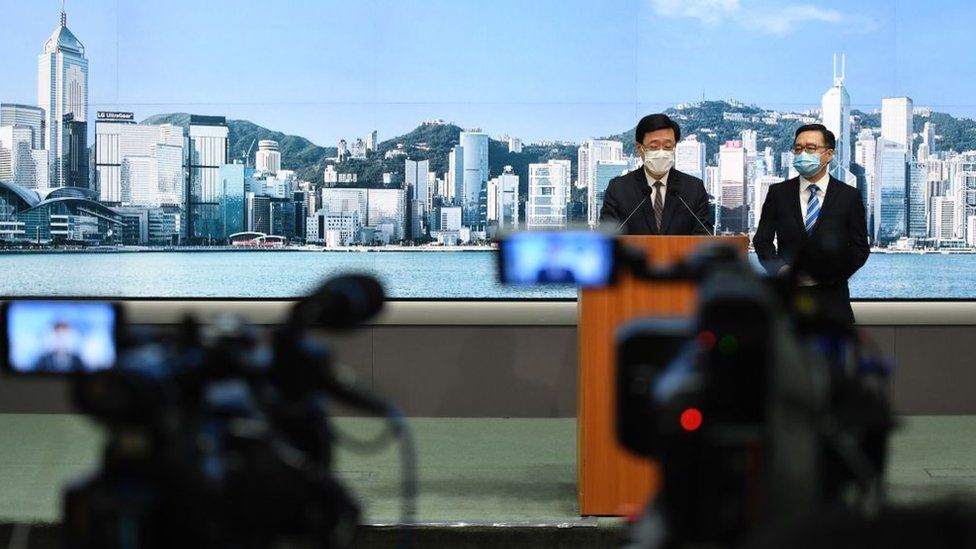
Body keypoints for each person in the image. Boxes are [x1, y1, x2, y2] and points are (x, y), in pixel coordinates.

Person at [753, 124, 869, 326]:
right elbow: (762, 240)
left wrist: (827, 275)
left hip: (833, 303)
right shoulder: (778, 193)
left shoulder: (849, 196)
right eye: (798, 149)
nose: (802, 153)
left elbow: (860, 249)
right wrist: (779, 270)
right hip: (788, 301)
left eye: (811, 148)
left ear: (829, 154)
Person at [599, 113, 712, 235]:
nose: (661, 152)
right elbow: (607, 238)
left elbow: (704, 237)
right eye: (654, 147)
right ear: (639, 148)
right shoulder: (618, 189)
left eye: (668, 146)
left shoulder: (693, 188)